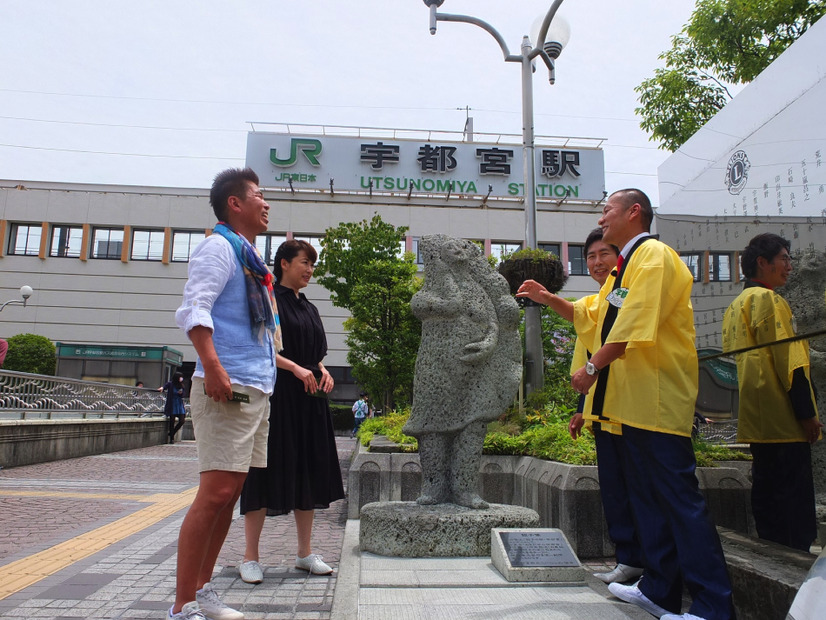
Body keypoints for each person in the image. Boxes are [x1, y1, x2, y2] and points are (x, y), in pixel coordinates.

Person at [519, 189, 734, 620]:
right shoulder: (627, 266)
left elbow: (632, 323)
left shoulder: (653, 255)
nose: (602, 217)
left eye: (607, 210)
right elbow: (597, 316)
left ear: (634, 212)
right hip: (631, 403)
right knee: (648, 501)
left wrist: (593, 370)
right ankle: (658, 589)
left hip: (655, 399)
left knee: (678, 501)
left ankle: (713, 605)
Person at [169, 168, 279, 620]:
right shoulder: (219, 248)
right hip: (227, 384)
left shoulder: (249, 255)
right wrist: (212, 366)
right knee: (214, 493)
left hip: (254, 385)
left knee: (230, 492)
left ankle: (202, 589)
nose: (266, 203)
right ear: (235, 204)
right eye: (258, 195)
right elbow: (195, 306)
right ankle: (182, 605)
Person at [239, 239, 344, 584]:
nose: (310, 270)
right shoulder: (270, 301)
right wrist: (296, 369)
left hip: (310, 401)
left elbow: (316, 354)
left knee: (309, 471)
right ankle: (250, 557)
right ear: (284, 263)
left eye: (313, 264)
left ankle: (304, 553)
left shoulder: (309, 307)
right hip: (279, 399)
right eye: (305, 262)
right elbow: (263, 347)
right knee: (263, 469)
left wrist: (321, 369)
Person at [722, 233, 822, 552]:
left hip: (757, 419)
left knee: (767, 501)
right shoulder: (770, 301)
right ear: (762, 263)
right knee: (794, 509)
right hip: (783, 420)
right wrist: (807, 414)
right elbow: (790, 362)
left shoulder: (736, 304)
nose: (789, 267)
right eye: (784, 259)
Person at [560, 228, 644, 585]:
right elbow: (586, 360)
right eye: (590, 256)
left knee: (638, 489)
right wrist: (582, 408)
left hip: (632, 407)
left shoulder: (625, 294)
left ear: (619, 258)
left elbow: (613, 351)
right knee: (614, 490)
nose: (596, 262)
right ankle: (629, 558)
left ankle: (643, 561)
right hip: (602, 409)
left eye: (603, 254)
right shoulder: (598, 302)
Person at [160, 372, 187, 444]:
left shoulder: (181, 385)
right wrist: (162, 388)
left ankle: (172, 433)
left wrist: (181, 394)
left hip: (179, 404)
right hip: (172, 403)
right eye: (180, 377)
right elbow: (165, 386)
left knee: (182, 420)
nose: (181, 379)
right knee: (172, 421)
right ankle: (171, 438)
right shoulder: (171, 384)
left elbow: (183, 394)